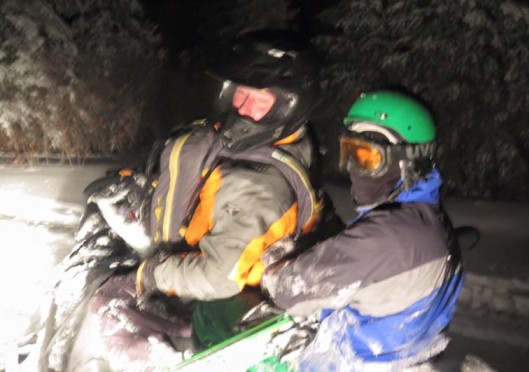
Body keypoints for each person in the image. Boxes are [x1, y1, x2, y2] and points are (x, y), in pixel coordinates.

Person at [64, 30, 342, 371]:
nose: (242, 107)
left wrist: (150, 274)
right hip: (225, 268)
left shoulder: (259, 186)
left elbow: (217, 277)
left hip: (223, 296)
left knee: (105, 303)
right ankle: (176, 328)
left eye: (259, 100)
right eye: (241, 94)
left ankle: (157, 364)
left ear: (289, 104)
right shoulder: (285, 143)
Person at [262, 90, 465, 371]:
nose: (352, 170)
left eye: (367, 158)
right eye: (350, 153)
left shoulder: (386, 238)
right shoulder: (426, 217)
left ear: (408, 161)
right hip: (406, 352)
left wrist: (276, 255)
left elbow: (287, 289)